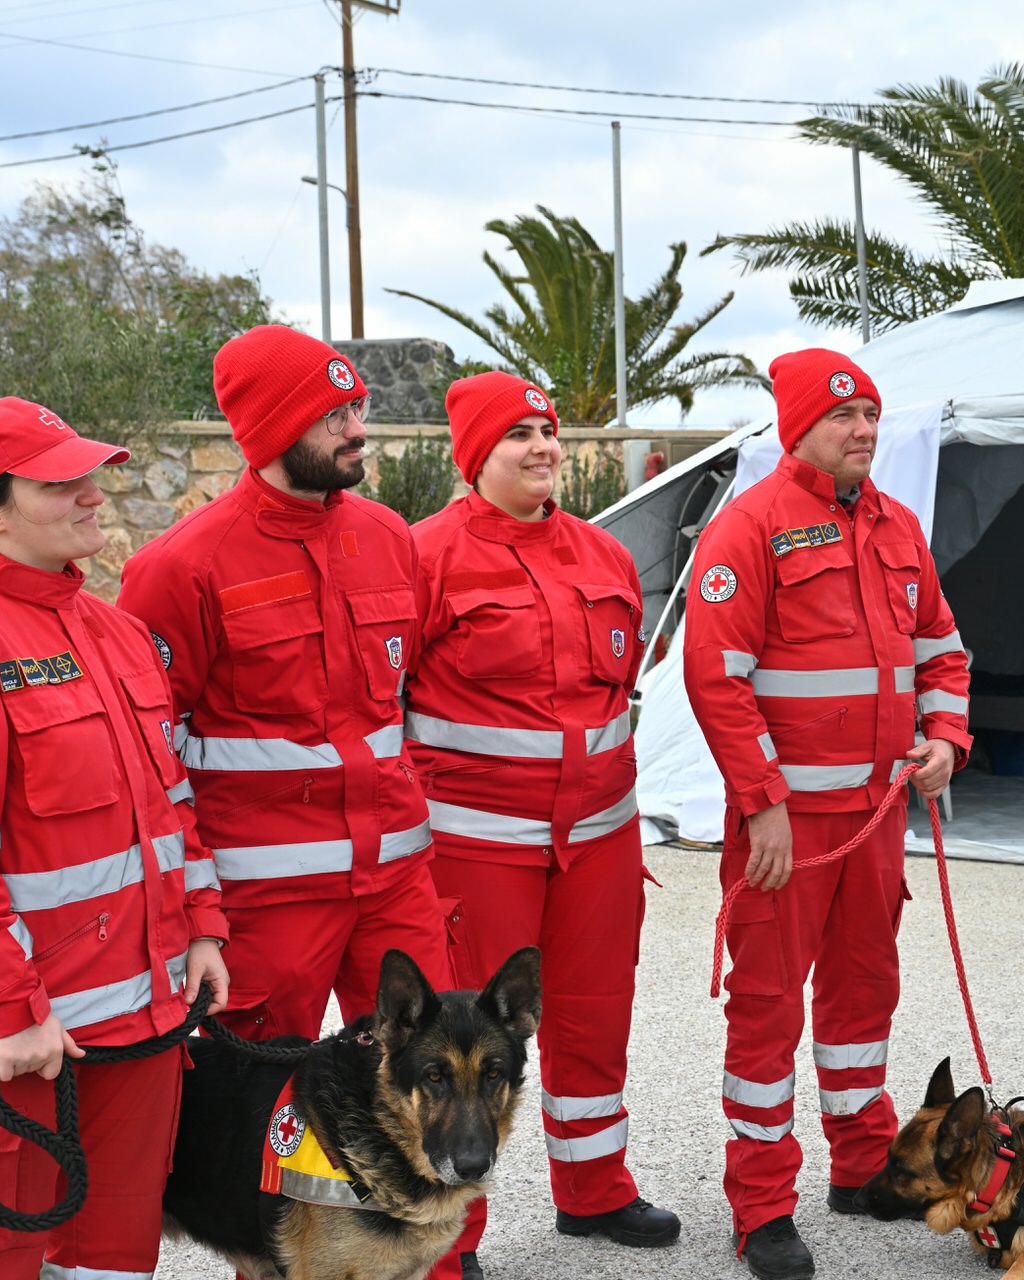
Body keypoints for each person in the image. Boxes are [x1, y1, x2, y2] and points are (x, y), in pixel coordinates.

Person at [0, 397, 229, 1280]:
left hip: (135, 1026)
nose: (93, 494)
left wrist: (204, 927)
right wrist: (10, 1012)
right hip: (20, 1042)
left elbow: (171, 803)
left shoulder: (113, 632)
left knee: (112, 1263)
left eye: (91, 474)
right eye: (59, 482)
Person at [683, 348, 972, 1280]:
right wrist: (763, 802)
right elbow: (715, 682)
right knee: (766, 1011)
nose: (865, 432)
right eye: (846, 418)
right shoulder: (749, 528)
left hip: (879, 815)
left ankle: (860, 1166)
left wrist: (946, 740)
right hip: (789, 832)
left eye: (874, 417)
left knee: (862, 999)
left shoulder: (897, 527)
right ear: (797, 428)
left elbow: (944, 650)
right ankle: (762, 1206)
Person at [403, 372, 680, 1263]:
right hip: (476, 849)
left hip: (598, 842)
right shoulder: (422, 558)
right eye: (517, 434)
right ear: (474, 454)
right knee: (466, 1046)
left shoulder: (601, 556)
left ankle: (595, 1192)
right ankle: (453, 1232)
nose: (542, 448)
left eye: (549, 431)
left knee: (597, 1021)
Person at [117, 326, 448, 1038]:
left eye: (357, 408)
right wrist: (195, 909)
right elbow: (148, 762)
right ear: (273, 431)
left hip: (395, 885)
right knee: (257, 1111)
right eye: (335, 417)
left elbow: (404, 701)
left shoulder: (391, 538)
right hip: (263, 900)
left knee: (422, 1106)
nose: (358, 430)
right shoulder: (180, 568)